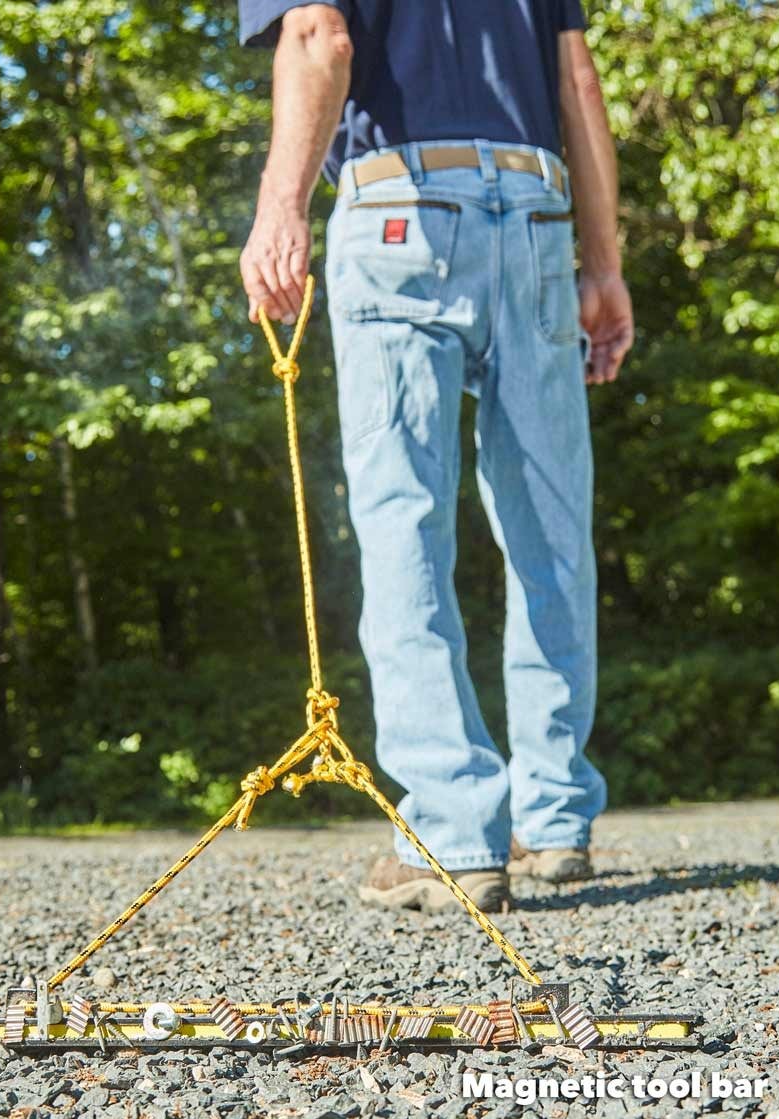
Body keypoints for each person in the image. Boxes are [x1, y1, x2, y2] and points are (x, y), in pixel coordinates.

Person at [237, 1, 634, 913]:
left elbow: (319, 39)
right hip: (535, 213)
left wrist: (279, 208)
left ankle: (453, 835)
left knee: (404, 522)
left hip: (400, 211)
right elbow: (577, 82)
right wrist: (604, 265)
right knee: (551, 529)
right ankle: (556, 815)